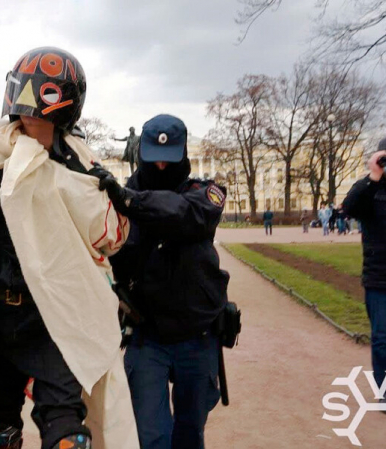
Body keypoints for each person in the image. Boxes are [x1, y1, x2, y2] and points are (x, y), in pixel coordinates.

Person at [0, 47, 135, 449]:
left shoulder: (81, 168)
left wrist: (107, 196)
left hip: (54, 314)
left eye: (44, 103)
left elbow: (109, 235)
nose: (32, 112)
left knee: (65, 421)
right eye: (27, 102)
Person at [91, 114, 229, 449]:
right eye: (155, 159)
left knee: (189, 432)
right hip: (146, 334)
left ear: (183, 154)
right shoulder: (115, 196)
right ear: (142, 155)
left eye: (171, 159)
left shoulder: (205, 193)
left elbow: (182, 214)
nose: (163, 167)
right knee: (151, 435)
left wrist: (129, 201)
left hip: (197, 333)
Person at [342, 134, 386, 412]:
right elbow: (349, 208)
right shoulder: (369, 189)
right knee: (383, 340)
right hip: (382, 279)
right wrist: (373, 175)